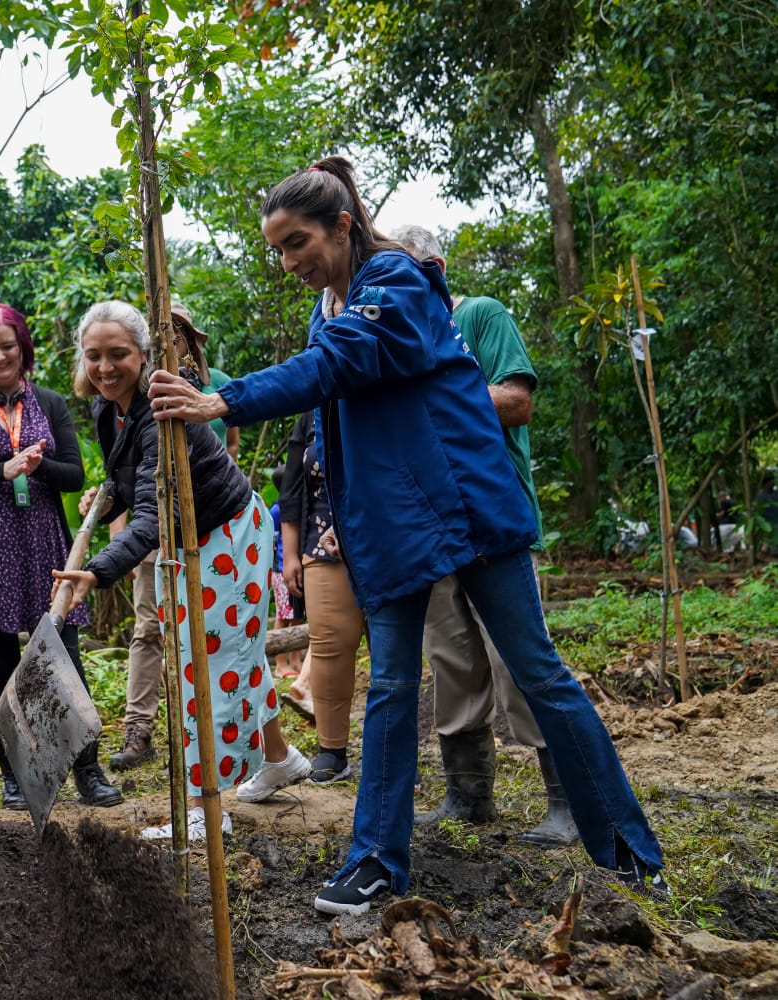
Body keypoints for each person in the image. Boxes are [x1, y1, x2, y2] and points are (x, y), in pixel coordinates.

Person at [148, 157, 665, 915]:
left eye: (299, 243)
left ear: (343, 226)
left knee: (539, 672)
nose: (290, 262)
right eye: (279, 250)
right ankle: (377, 864)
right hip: (391, 528)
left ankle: (627, 850)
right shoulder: (331, 305)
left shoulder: (396, 283)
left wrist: (224, 401)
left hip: (466, 508)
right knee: (389, 690)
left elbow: (339, 364)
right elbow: (334, 419)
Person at [53, 301, 310, 842]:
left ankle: (202, 811)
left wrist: (96, 573)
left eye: (118, 354)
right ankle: (279, 759)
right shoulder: (109, 409)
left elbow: (151, 514)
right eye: (94, 356)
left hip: (226, 537)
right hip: (188, 540)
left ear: (144, 355)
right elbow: (133, 478)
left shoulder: (162, 412)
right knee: (224, 659)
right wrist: (110, 492)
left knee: (201, 672)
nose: (105, 367)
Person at [392, 224, 575, 848]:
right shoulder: (394, 335)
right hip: (431, 524)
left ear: (435, 267)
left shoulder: (482, 315)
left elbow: (516, 401)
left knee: (517, 658)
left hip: (492, 518)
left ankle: (566, 799)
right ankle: (468, 794)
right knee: (451, 658)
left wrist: (431, 392)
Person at [0, 303, 121, 810]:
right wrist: (2, 468)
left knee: (66, 660)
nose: (0, 356)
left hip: (42, 546)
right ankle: (15, 775)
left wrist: (36, 468)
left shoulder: (51, 402)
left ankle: (87, 771)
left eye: (8, 346)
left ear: (23, 349)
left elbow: (76, 475)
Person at [109, 302, 239, 771]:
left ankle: (198, 736)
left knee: (205, 633)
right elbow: (125, 469)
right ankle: (138, 730)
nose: (176, 342)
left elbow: (228, 450)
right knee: (149, 628)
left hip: (208, 527)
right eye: (168, 334)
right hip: (154, 528)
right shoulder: (131, 399)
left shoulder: (218, 384)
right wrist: (118, 534)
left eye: (182, 334)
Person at [277, 410, 366, 783]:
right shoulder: (311, 408)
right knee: (328, 642)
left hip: (388, 539)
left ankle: (396, 752)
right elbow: (293, 486)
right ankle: (332, 750)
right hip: (321, 543)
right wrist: (292, 552)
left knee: (392, 648)